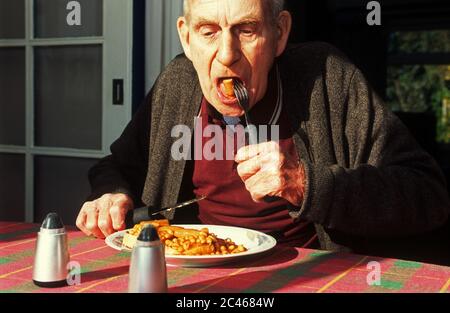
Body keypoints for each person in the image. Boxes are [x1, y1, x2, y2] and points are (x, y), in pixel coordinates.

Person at [76, 0, 450, 255]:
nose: (226, 53)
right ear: (186, 38)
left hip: (304, 275)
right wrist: (113, 193)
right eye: (208, 31)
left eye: (247, 29)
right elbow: (116, 166)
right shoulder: (177, 82)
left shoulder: (327, 77)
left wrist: (306, 182)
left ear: (280, 33)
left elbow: (428, 196)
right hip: (191, 276)